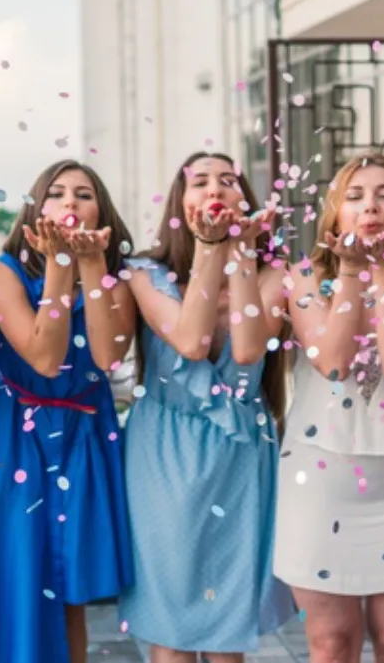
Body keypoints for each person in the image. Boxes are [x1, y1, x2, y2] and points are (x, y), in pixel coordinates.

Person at [0, 160, 136, 663]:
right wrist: (58, 266)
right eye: (57, 193)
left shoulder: (117, 278)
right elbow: (43, 356)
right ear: (38, 208)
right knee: (16, 570)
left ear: (101, 210)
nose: (71, 202)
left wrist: (92, 268)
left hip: (83, 432)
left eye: (84, 194)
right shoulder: (2, 273)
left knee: (67, 584)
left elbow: (107, 356)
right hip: (15, 431)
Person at [118, 151, 295, 663]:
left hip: (239, 452)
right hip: (163, 450)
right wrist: (209, 249)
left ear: (245, 199)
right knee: (170, 629)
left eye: (229, 180)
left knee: (225, 632)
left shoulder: (272, 274)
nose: (216, 188)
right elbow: (192, 340)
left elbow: (245, 349)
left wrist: (239, 254)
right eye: (200, 181)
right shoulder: (143, 274)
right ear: (181, 201)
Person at [273, 153, 384, 663]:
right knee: (331, 644)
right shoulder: (303, 278)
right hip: (319, 483)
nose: (370, 206)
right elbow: (333, 362)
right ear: (334, 216)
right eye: (355, 196)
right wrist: (351, 271)